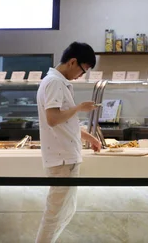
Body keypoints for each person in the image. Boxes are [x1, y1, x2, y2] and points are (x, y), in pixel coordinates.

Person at [36, 42, 102, 243]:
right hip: (62, 159)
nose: (81, 76)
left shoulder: (58, 82)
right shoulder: (55, 83)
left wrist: (89, 137)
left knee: (64, 211)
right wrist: (79, 108)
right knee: (55, 214)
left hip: (65, 157)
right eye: (83, 71)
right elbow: (53, 119)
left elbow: (64, 123)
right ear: (73, 62)